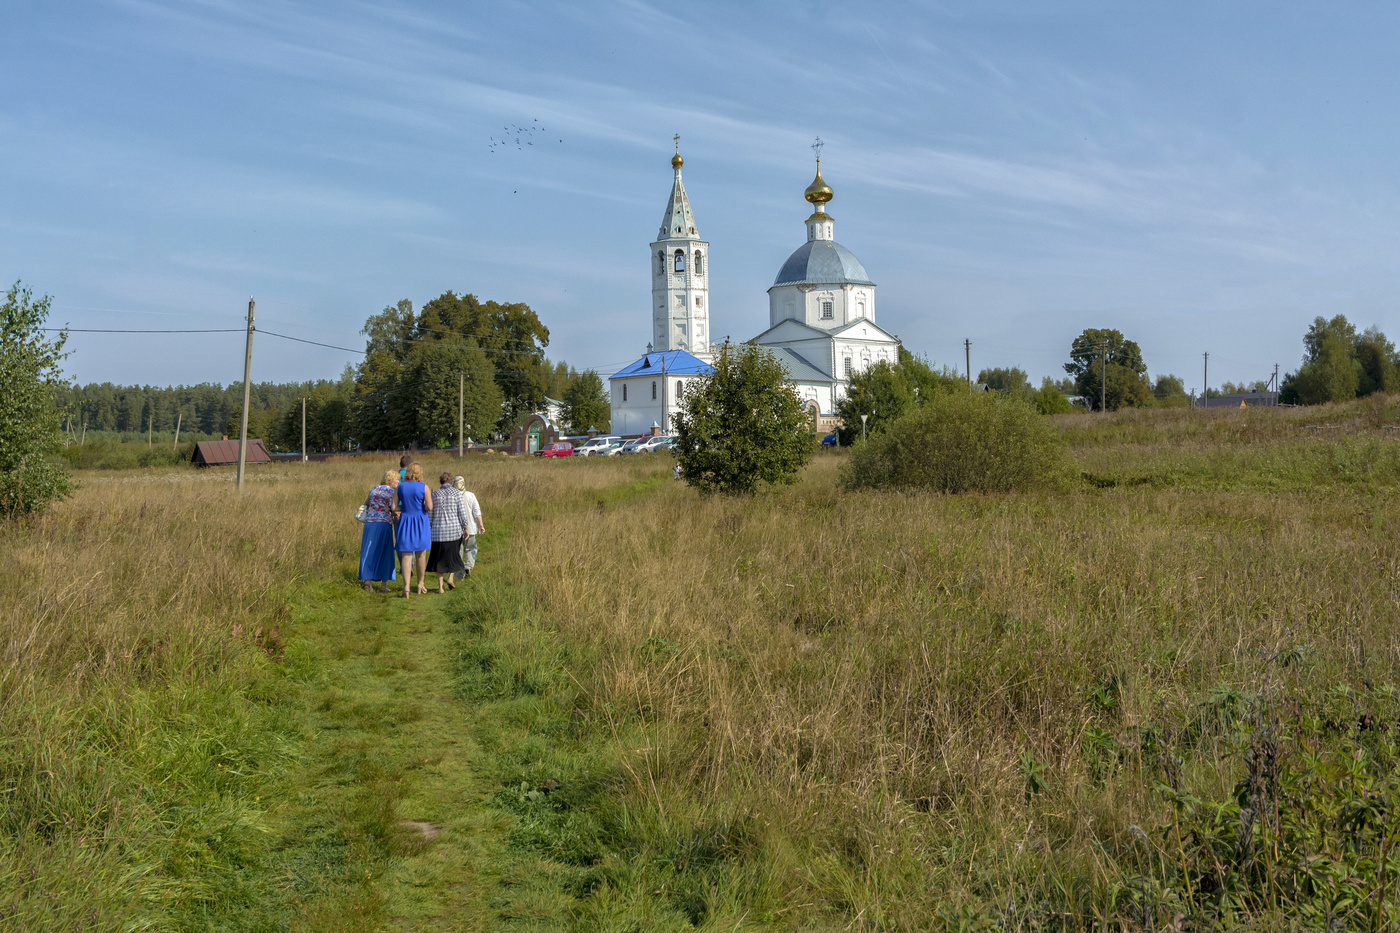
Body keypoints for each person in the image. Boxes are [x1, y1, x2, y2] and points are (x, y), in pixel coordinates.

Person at [427, 472, 470, 592]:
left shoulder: (434, 494)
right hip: (454, 531)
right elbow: (462, 513)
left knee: (438, 560)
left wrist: (429, 528)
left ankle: (440, 586)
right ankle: (450, 577)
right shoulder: (456, 493)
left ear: (440, 482)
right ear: (451, 481)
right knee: (453, 557)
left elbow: (430, 515)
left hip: (438, 533)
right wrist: (465, 527)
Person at [395, 462, 433, 597]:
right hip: (420, 520)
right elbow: (429, 507)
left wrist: (405, 508)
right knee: (421, 554)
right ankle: (420, 583)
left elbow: (394, 506)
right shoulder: (424, 487)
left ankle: (406, 587)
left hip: (405, 520)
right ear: (419, 473)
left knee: (406, 555)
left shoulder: (400, 487)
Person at [358, 470, 399, 592]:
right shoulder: (392, 492)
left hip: (370, 523)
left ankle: (367, 581)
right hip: (383, 524)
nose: (398, 481)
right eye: (397, 479)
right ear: (391, 480)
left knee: (369, 551)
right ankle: (383, 585)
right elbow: (394, 508)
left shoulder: (375, 489)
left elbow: (366, 503)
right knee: (385, 553)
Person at [454, 475, 485, 576]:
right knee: (471, 549)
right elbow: (477, 512)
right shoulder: (471, 495)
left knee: (458, 551)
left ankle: (459, 573)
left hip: (456, 530)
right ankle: (468, 566)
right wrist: (481, 525)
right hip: (471, 529)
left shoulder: (453, 497)